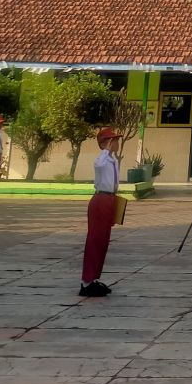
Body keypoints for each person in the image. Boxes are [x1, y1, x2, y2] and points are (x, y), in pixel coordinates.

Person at [79, 127, 122, 298]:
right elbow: (98, 164)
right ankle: (86, 282)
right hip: (100, 200)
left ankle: (94, 278)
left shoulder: (112, 161)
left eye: (116, 140)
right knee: (95, 240)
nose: (116, 143)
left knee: (103, 241)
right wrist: (105, 149)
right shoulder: (102, 160)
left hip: (110, 199)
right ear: (104, 143)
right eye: (113, 140)